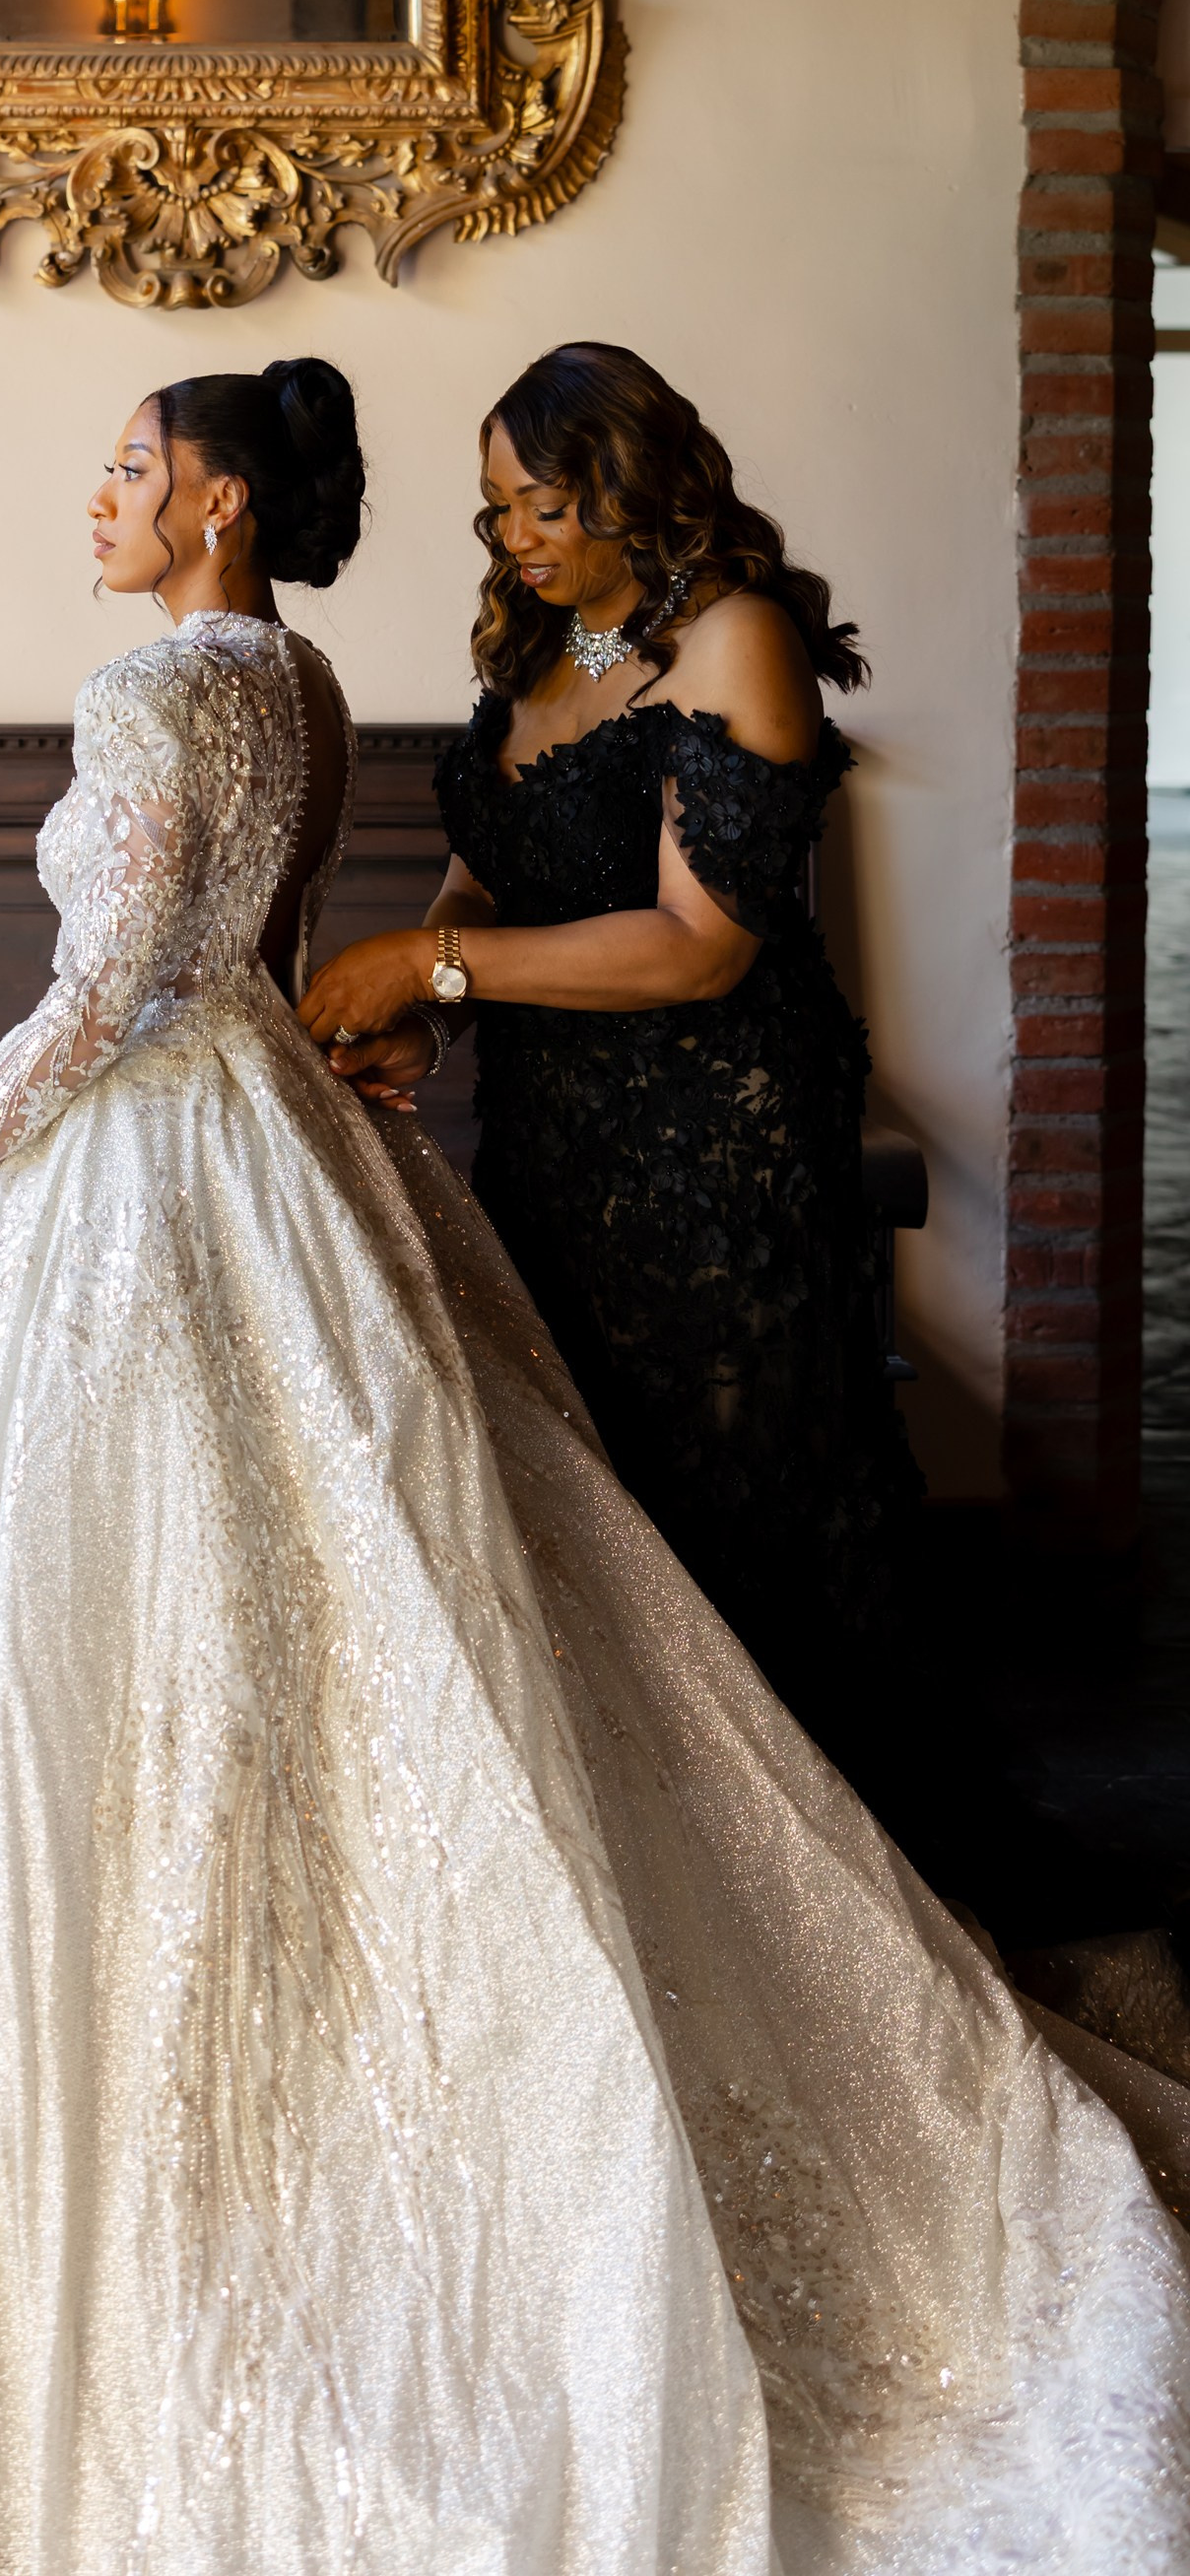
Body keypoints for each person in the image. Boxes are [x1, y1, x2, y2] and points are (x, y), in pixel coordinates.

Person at [0, 359, 1186, 2574]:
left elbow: (97, 1010)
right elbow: (247, 965)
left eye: (127, 469)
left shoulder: (160, 692)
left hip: (157, 1159)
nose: (96, 498)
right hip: (274, 1143)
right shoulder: (304, 682)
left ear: (219, 499)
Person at [301, 342, 920, 1740]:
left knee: (721, 1527)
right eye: (497, 508)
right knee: (590, 1526)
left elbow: (702, 944)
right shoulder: (562, 643)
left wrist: (426, 965)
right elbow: (490, 881)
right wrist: (429, 1018)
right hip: (548, 1143)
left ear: (632, 487)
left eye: (543, 504)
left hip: (712, 1160)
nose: (514, 537)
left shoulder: (732, 637)